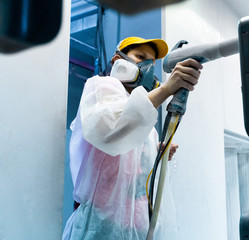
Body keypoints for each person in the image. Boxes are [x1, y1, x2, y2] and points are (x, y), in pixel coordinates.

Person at [62, 36, 203, 240]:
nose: (146, 66)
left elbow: (132, 171)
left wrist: (156, 152)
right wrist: (165, 90)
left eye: (151, 63)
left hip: (134, 230)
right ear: (116, 60)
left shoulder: (142, 115)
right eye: (140, 57)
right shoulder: (101, 88)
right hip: (99, 228)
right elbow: (108, 127)